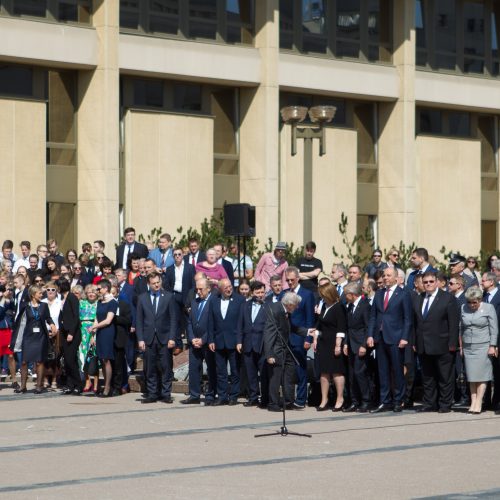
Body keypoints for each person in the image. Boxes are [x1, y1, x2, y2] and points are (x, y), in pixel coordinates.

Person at [413, 271, 460, 413]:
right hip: (423, 345)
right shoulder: (418, 298)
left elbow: (453, 323)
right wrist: (414, 342)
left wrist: (453, 344)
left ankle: (445, 404)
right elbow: (416, 323)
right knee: (427, 377)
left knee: (445, 377)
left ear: (437, 282)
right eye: (425, 282)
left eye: (431, 282)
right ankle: (429, 403)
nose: (428, 284)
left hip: (443, 344)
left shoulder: (448, 298)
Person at [368, 267, 413, 413]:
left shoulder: (403, 294)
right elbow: (373, 316)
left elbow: (407, 319)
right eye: (384, 275)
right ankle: (384, 400)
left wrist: (405, 337)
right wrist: (370, 335)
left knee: (397, 371)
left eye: (388, 275)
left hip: (396, 337)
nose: (385, 278)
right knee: (382, 371)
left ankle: (398, 400)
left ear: (396, 278)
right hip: (380, 338)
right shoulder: (379, 293)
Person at [136, 271, 177, 404]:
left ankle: (166, 394)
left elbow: (173, 319)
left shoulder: (169, 297)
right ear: (149, 284)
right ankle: (152, 393)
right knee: (150, 367)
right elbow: (139, 320)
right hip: (148, 338)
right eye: (153, 283)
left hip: (165, 338)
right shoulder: (142, 298)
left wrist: (172, 337)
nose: (156, 285)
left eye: (158, 282)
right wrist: (140, 339)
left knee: (166, 366)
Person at [10, 285, 57, 394]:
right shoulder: (25, 306)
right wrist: (15, 339)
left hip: (40, 336)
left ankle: (39, 386)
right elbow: (19, 322)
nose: (42, 295)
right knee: (24, 362)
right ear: (33, 295)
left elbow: (48, 318)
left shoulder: (44, 306)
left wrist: (52, 325)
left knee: (39, 361)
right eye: (39, 293)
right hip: (28, 337)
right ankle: (23, 386)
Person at [263, 292, 304, 412]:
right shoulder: (276, 311)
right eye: (296, 305)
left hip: (286, 348)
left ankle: (288, 401)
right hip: (276, 349)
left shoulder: (285, 310)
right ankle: (273, 403)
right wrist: (269, 354)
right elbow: (269, 334)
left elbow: (291, 327)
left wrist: (306, 332)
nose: (297, 308)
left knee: (289, 373)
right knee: (275, 377)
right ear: (290, 304)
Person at [460, 286, 498, 414]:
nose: (471, 305)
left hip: (483, 345)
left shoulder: (488, 308)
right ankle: (473, 401)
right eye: (469, 302)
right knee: (471, 376)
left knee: (481, 376)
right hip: (468, 346)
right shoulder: (463, 308)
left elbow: (494, 329)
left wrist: (492, 346)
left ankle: (479, 402)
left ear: (480, 299)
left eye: (474, 302)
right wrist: (461, 346)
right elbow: (461, 328)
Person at [208, 278, 245, 405]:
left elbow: (242, 322)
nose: (229, 289)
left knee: (235, 370)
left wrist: (240, 340)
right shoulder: (213, 300)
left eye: (230, 286)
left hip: (234, 341)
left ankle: (234, 396)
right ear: (220, 289)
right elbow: (210, 321)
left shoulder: (240, 300)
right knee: (221, 371)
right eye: (226, 287)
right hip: (218, 341)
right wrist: (211, 340)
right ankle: (222, 396)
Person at [312, 282, 348, 411]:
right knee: (324, 372)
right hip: (323, 343)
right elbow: (319, 324)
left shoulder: (339, 307)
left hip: (334, 343)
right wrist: (316, 336)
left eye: (323, 295)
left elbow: (341, 327)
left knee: (336, 372)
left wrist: (338, 345)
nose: (322, 297)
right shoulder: (324, 306)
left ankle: (339, 398)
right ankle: (324, 399)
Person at [284, 266, 315, 409]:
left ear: (298, 278)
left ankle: (301, 399)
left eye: (292, 280)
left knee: (300, 368)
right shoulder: (284, 293)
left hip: (300, 337)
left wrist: (308, 339)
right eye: (287, 280)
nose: (290, 282)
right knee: (288, 370)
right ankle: (288, 398)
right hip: (285, 337)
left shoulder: (307, 294)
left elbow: (310, 318)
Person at [182, 278, 216, 405]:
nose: (198, 292)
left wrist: (203, 339)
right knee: (194, 369)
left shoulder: (214, 302)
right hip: (195, 341)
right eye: (197, 289)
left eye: (201, 289)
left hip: (207, 342)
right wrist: (191, 338)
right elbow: (190, 322)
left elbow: (213, 324)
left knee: (211, 369)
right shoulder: (194, 302)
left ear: (208, 288)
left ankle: (210, 395)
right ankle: (194, 395)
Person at [237, 280, 269, 408]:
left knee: (264, 373)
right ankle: (253, 397)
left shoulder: (268, 306)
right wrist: (239, 341)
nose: (260, 295)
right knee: (251, 373)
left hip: (262, 345)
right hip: (248, 343)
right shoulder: (245, 305)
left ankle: (265, 398)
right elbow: (240, 324)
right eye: (258, 292)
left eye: (262, 292)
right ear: (252, 292)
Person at [343, 281, 372, 412]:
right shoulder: (349, 306)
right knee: (352, 375)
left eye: (346, 294)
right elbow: (348, 327)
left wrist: (364, 345)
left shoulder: (365, 306)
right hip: (351, 344)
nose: (344, 297)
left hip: (360, 344)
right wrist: (345, 343)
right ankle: (354, 401)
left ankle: (366, 400)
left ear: (352, 294)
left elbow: (368, 327)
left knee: (360, 373)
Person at [90, 279, 117, 397]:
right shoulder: (100, 302)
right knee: (102, 359)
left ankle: (107, 387)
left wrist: (95, 326)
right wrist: (93, 333)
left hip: (107, 331)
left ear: (106, 288)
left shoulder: (113, 302)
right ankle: (106, 385)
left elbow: (108, 320)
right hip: (100, 331)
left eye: (99, 289)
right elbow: (97, 317)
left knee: (106, 359)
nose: (97, 291)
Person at [59, 279, 82, 395]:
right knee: (68, 361)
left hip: (72, 333)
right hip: (64, 332)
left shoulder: (72, 297)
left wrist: (71, 333)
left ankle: (78, 384)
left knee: (70, 360)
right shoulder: (62, 299)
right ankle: (70, 385)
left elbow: (76, 317)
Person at [110, 285, 132, 397]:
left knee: (118, 364)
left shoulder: (123, 305)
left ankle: (117, 387)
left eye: (113, 293)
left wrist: (114, 318)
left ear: (117, 294)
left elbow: (128, 320)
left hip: (119, 337)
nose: (112, 296)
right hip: (107, 337)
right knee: (109, 364)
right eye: (110, 293)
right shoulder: (104, 304)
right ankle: (109, 385)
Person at [42, 281, 62, 389]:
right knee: (45, 356)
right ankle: (45, 379)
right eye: (48, 290)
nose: (50, 292)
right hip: (44, 332)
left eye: (53, 290)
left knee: (56, 357)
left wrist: (56, 330)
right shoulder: (42, 302)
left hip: (57, 331)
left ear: (56, 291)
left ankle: (54, 379)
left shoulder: (60, 302)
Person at [79, 284, 99, 393]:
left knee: (93, 358)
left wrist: (94, 336)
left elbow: (99, 319)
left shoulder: (99, 304)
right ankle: (87, 381)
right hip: (82, 332)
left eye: (94, 292)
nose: (91, 294)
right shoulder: (81, 303)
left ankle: (96, 383)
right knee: (83, 358)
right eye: (89, 292)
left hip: (93, 331)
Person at [0, 285, 18, 389]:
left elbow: (14, 308)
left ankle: (14, 380)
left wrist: (10, 297)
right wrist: (2, 299)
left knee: (10, 355)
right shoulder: (2, 301)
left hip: (7, 330)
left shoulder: (7, 301)